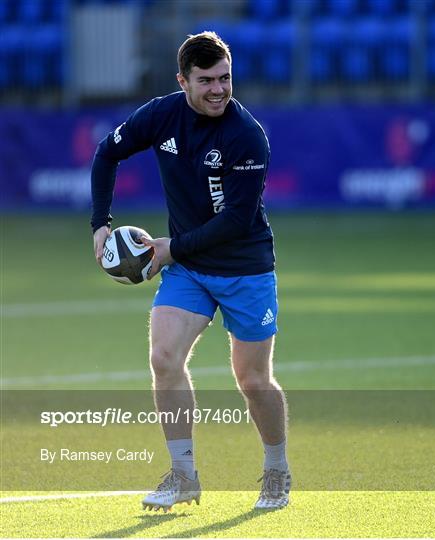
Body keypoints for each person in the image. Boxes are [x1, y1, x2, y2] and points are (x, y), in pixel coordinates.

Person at [91, 31, 290, 511]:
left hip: (244, 267)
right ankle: (183, 477)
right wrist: (101, 225)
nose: (219, 89)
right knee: (163, 358)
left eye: (225, 78)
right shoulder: (162, 115)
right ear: (183, 80)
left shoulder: (247, 136)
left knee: (252, 379)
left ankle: (277, 470)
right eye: (206, 81)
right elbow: (106, 154)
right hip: (188, 268)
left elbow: (236, 222)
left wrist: (169, 249)